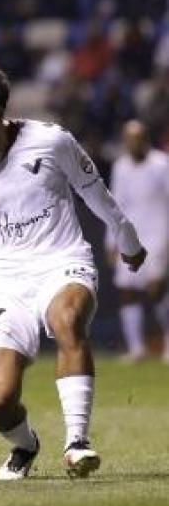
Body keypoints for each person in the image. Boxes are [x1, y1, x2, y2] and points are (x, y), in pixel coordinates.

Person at [0, 66, 146, 481]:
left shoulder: (51, 141)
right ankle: (25, 444)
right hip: (6, 282)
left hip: (62, 260)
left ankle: (77, 443)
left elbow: (95, 191)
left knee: (67, 321)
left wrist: (127, 240)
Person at [107, 120, 169, 362]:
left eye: (138, 138)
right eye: (129, 139)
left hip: (158, 235)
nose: (134, 143)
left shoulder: (162, 165)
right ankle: (136, 349)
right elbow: (115, 205)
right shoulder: (121, 167)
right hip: (130, 236)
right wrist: (111, 242)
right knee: (127, 291)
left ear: (146, 139)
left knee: (157, 290)